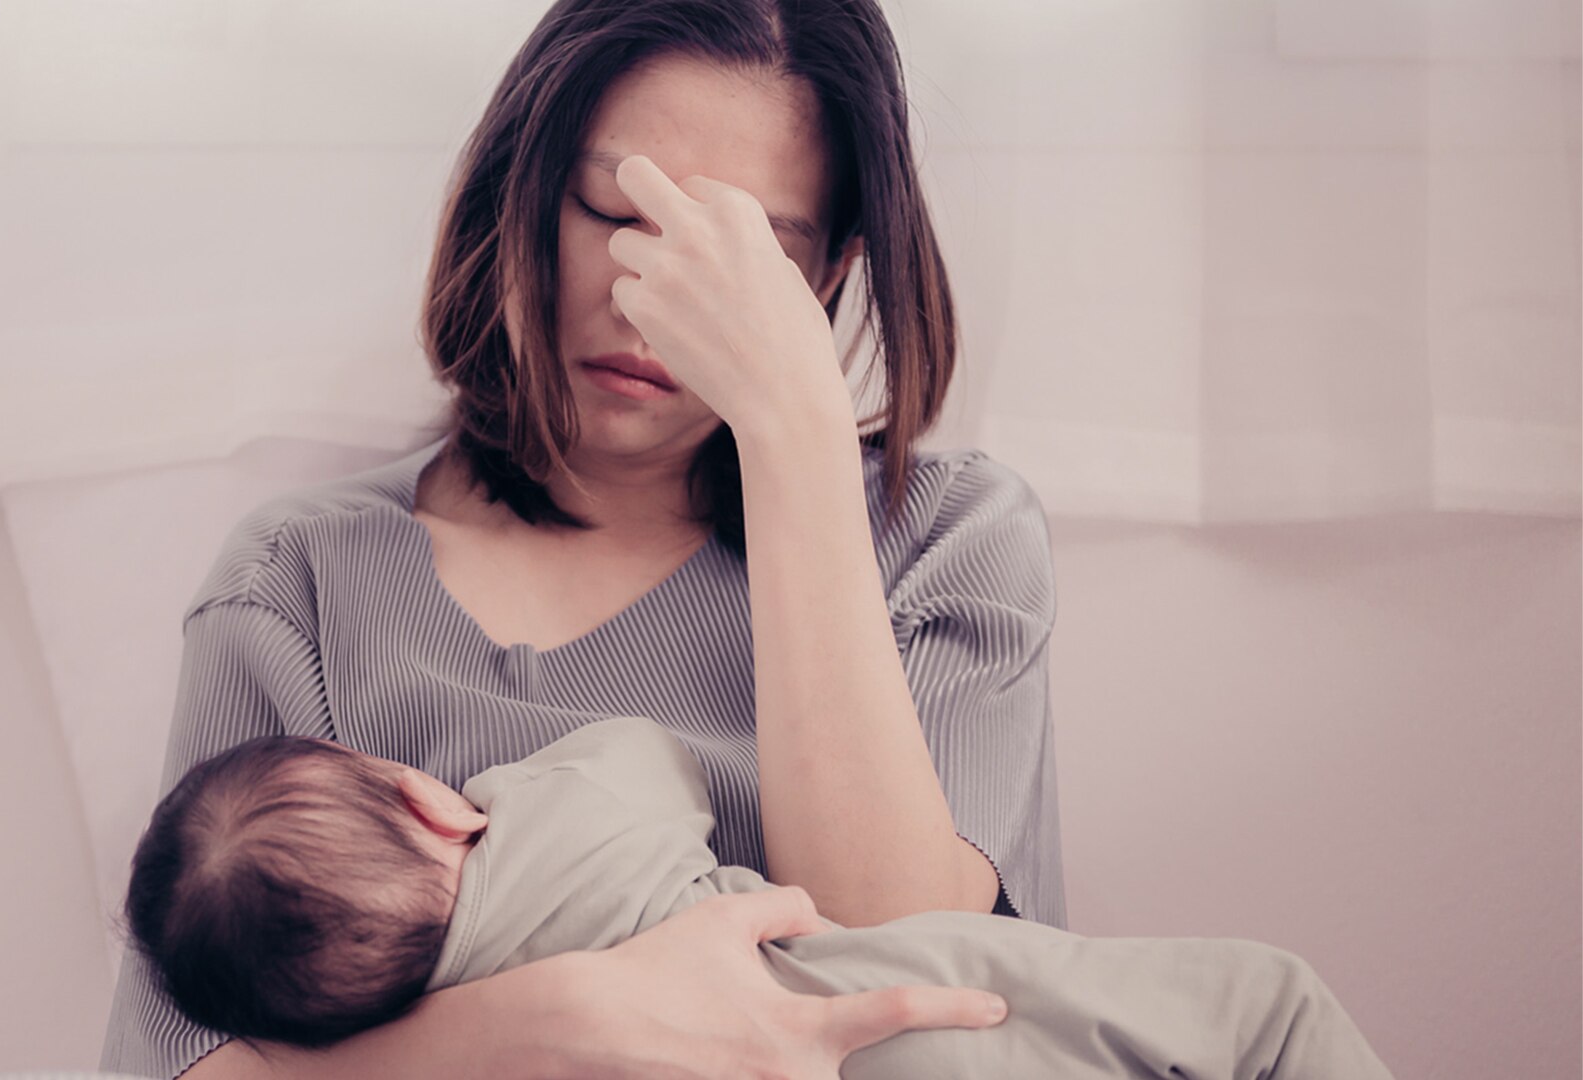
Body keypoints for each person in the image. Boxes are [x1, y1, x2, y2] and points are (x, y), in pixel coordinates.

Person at [102, 1, 1071, 1076]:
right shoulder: (299, 582)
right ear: (516, 189)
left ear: (827, 280)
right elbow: (178, 1065)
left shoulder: (948, 539)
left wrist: (792, 427)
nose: (648, 299)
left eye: (739, 257)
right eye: (613, 209)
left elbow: (895, 960)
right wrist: (565, 1024)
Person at [122, 715, 1395, 1079]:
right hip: (917, 1020)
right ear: (433, 800)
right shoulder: (568, 811)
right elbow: (648, 752)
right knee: (1265, 1007)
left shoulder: (372, 1034)